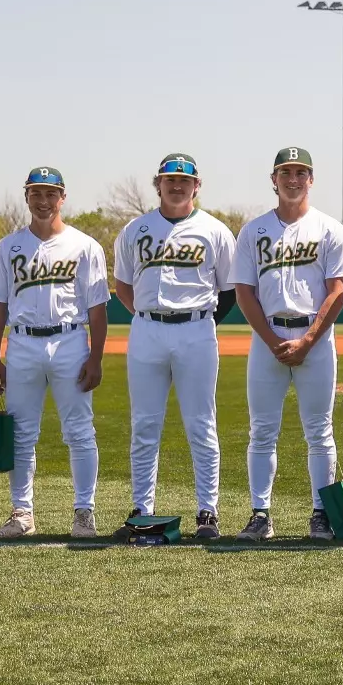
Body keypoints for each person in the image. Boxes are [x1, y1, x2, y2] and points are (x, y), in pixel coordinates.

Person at [230, 147, 343, 541]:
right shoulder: (253, 231)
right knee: (262, 430)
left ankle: (321, 513)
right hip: (267, 337)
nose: (293, 179)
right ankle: (261, 514)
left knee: (319, 431)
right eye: (286, 172)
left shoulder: (329, 228)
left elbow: (338, 290)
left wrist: (309, 339)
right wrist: (271, 341)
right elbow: (244, 292)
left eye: (301, 172)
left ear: (311, 180)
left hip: (314, 339)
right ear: (274, 179)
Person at [112, 154, 238, 540]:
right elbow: (123, 286)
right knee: (145, 424)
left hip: (197, 329)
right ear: (158, 184)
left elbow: (229, 290)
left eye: (185, 180)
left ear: (197, 186)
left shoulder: (215, 230)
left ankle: (208, 511)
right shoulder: (135, 229)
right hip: (148, 329)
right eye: (170, 179)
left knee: (201, 424)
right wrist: (149, 317)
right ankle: (141, 510)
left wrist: (199, 325)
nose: (177, 185)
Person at [0, 167, 110, 539]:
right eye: (36, 194)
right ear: (26, 197)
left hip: (70, 340)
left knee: (79, 431)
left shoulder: (85, 245)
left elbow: (98, 309)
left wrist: (96, 356)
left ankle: (84, 512)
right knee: (21, 433)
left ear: (63, 197)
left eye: (50, 194)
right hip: (22, 341)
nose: (43, 201)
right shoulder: (7, 247)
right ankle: (22, 513)